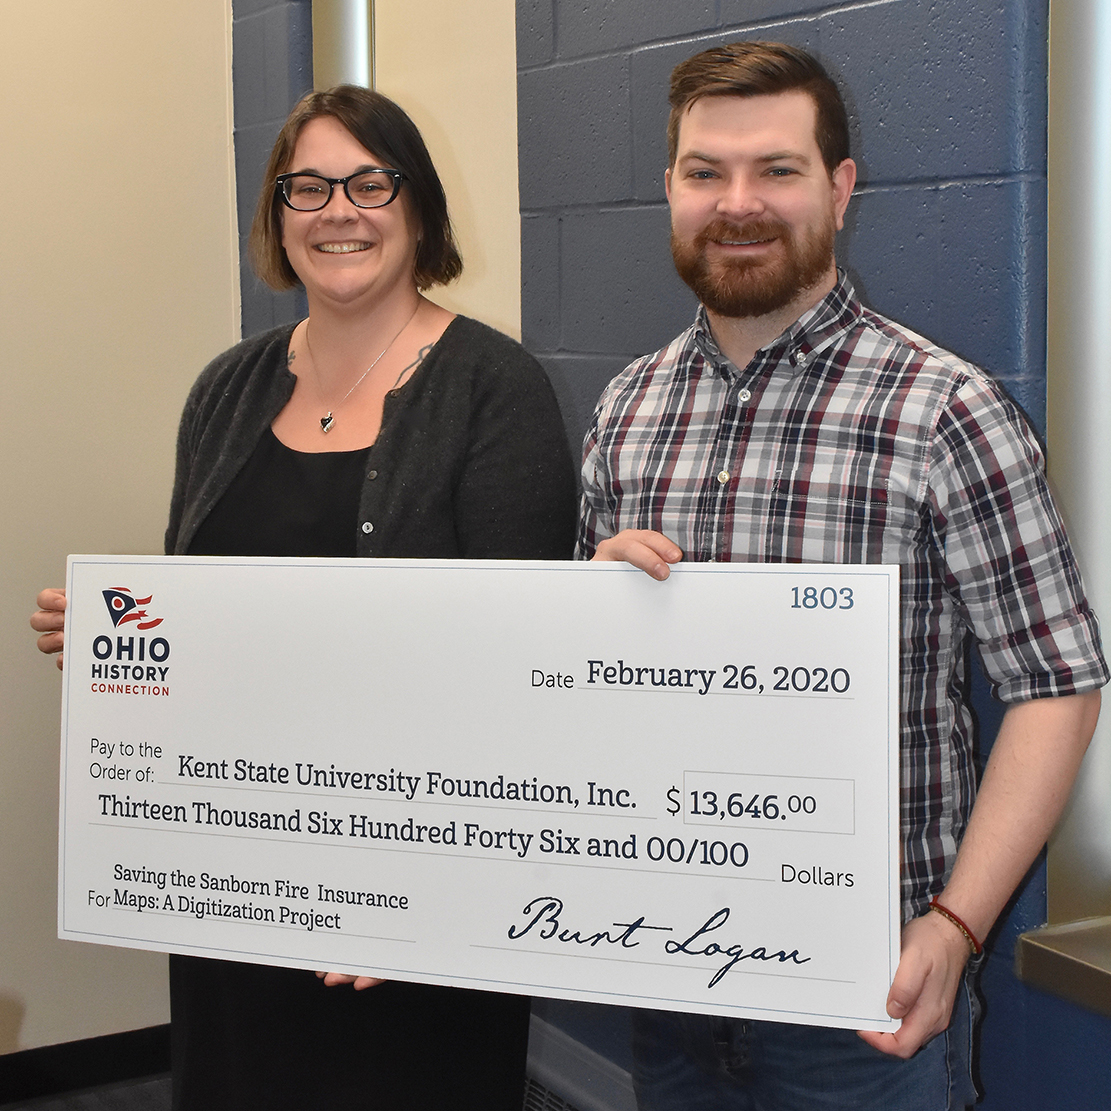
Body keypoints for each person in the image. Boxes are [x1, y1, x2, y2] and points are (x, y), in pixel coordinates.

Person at [578, 42, 1106, 1110]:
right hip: (659, 965)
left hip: (861, 1003)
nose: (738, 203)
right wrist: (586, 605)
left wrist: (957, 927)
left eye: (776, 169)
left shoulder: (942, 409)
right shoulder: (625, 412)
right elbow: (584, 687)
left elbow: (1057, 682)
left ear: (839, 186)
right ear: (670, 189)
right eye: (703, 172)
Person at [32, 85, 576, 1110]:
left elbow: (522, 677)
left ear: (418, 211)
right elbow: (198, 614)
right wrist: (119, 642)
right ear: (278, 216)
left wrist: (414, 891)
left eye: (371, 182)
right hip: (234, 873)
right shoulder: (226, 389)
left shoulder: (492, 388)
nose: (340, 209)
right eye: (308, 186)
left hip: (410, 890)